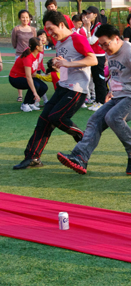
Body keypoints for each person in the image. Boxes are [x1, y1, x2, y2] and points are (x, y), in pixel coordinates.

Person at [57, 24, 131, 175]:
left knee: (113, 117)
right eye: (101, 45)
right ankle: (80, 157)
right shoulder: (110, 51)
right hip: (118, 96)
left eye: (106, 44)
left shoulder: (130, 50)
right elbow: (116, 73)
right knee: (94, 120)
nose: (104, 48)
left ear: (117, 39)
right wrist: (111, 91)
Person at [13, 11, 97, 170]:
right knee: (43, 120)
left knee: (56, 117)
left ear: (61, 25)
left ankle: (84, 138)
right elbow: (65, 62)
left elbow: (93, 60)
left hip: (77, 89)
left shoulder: (77, 38)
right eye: (47, 30)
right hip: (63, 86)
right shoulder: (58, 42)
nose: (49, 34)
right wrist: (57, 64)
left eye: (51, 29)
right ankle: (32, 157)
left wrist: (67, 64)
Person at [9, 37, 48, 112]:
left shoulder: (37, 54)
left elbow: (33, 73)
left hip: (25, 77)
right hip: (15, 78)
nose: (43, 46)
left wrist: (45, 76)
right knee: (36, 85)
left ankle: (31, 103)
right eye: (41, 45)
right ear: (37, 47)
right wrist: (35, 93)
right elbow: (28, 77)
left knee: (44, 87)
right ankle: (25, 104)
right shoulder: (28, 57)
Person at [84, 6, 107, 111]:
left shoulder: (98, 26)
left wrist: (87, 28)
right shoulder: (93, 26)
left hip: (99, 56)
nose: (87, 15)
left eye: (89, 13)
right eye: (86, 13)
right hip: (94, 56)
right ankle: (97, 101)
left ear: (95, 15)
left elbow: (91, 41)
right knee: (96, 80)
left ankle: (101, 102)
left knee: (100, 80)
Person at [12, 10, 36, 103]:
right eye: (23, 17)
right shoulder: (16, 29)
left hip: (30, 56)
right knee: (19, 75)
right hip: (20, 55)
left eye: (26, 17)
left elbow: (35, 42)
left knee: (31, 75)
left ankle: (32, 94)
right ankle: (20, 95)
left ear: (29, 18)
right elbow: (14, 42)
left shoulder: (33, 29)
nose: (25, 19)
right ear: (19, 18)